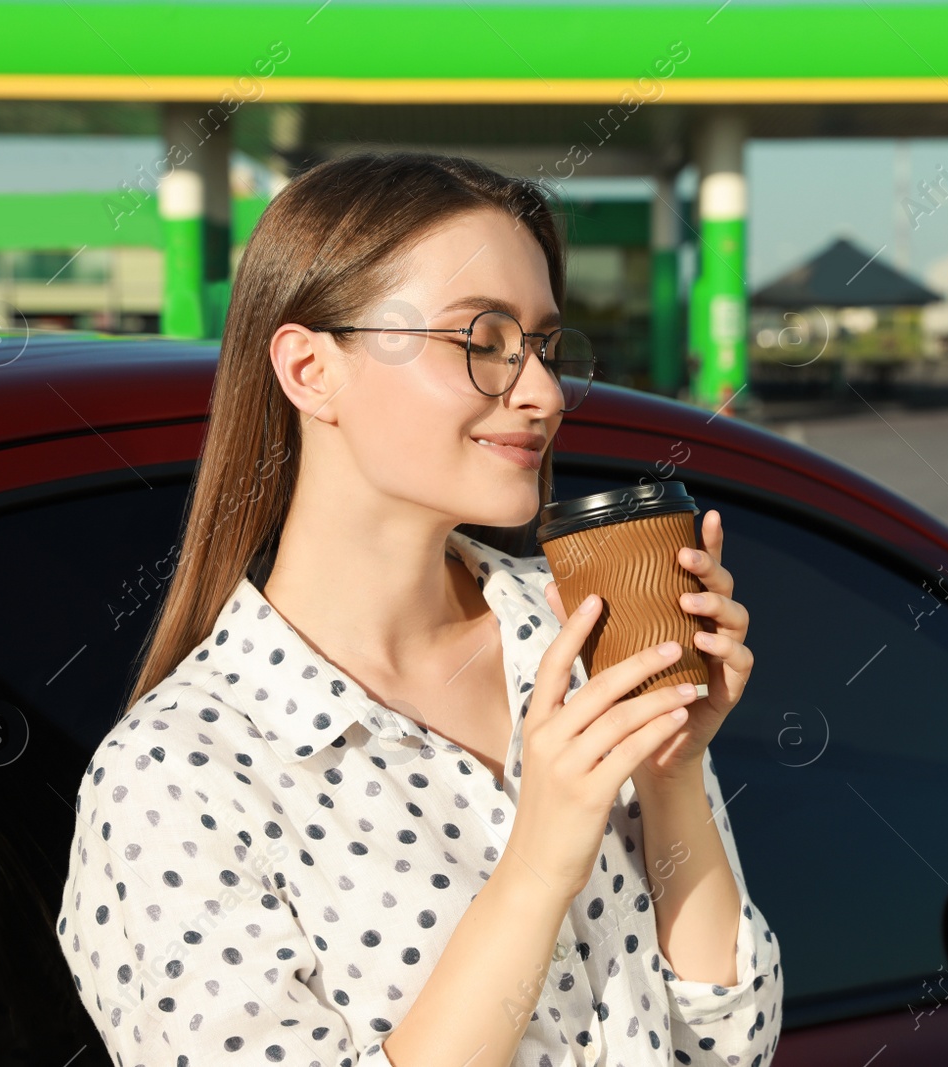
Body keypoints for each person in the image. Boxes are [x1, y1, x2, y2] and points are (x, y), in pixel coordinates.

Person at [55, 151, 782, 1067]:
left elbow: (728, 1041)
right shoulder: (174, 780)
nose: (544, 393)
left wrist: (673, 773)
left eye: (545, 346)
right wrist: (541, 858)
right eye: (482, 342)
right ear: (311, 368)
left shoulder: (579, 633)